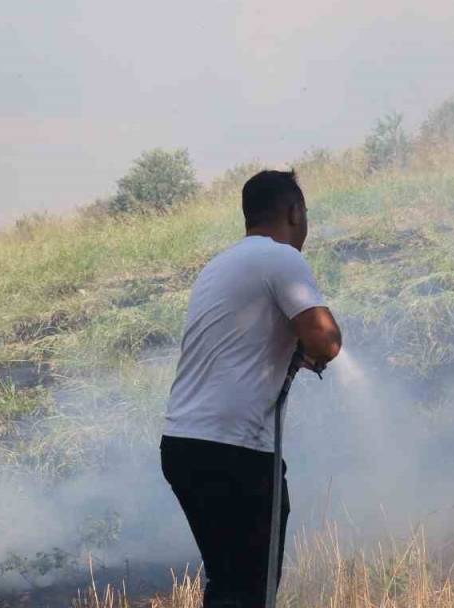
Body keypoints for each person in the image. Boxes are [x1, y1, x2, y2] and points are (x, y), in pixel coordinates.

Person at [160, 170, 341, 607]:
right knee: (251, 592)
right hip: (234, 452)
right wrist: (313, 348)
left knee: (229, 587)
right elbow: (326, 340)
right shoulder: (281, 258)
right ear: (294, 212)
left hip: (185, 446)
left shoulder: (221, 264)